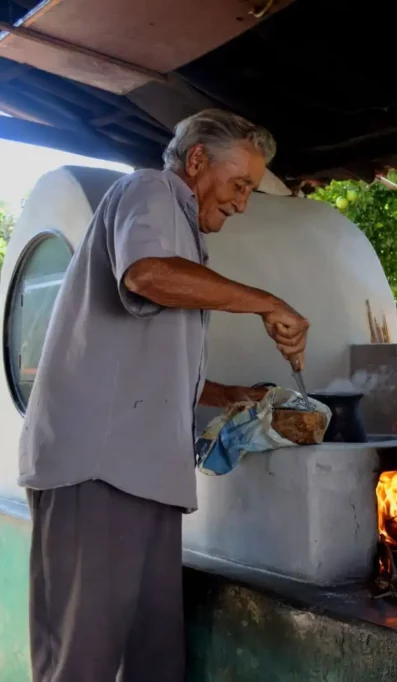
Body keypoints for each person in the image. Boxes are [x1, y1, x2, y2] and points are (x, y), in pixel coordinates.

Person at [18, 109, 310, 682]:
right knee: (84, 662)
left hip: (144, 477)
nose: (242, 202)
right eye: (240, 184)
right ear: (197, 161)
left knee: (151, 660)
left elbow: (151, 365)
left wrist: (234, 393)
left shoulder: (183, 232)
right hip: (97, 471)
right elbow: (147, 275)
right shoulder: (149, 189)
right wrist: (268, 302)